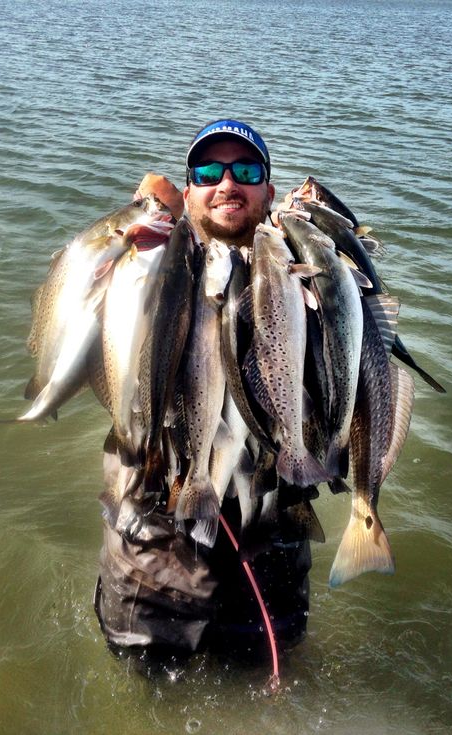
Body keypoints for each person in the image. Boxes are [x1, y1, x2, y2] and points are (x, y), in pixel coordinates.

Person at [94, 120, 312, 669]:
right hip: (154, 556)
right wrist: (147, 214)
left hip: (270, 553)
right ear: (189, 189)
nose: (227, 184)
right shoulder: (147, 266)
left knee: (265, 680)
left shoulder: (300, 272)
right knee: (148, 695)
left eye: (246, 171)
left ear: (269, 189)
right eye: (208, 172)